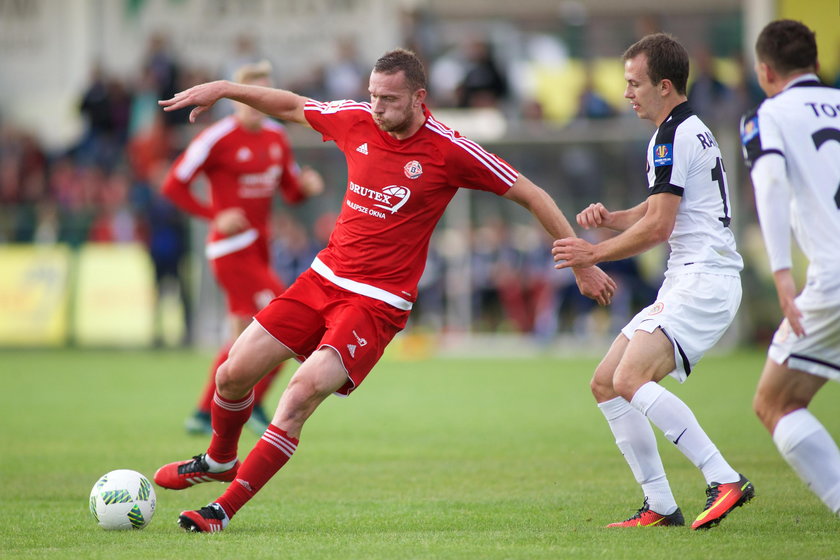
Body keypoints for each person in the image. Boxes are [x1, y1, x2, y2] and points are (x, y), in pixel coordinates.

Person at [153, 48, 616, 532]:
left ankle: (220, 510)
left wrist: (580, 261)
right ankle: (220, 458)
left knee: (298, 396)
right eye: (373, 95)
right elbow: (291, 106)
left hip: (377, 303)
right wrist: (226, 88)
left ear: (419, 98)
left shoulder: (450, 149)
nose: (377, 107)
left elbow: (531, 194)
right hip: (321, 279)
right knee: (231, 375)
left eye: (389, 99)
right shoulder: (356, 119)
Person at [553, 33, 754, 530]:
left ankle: (723, 476)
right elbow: (657, 211)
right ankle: (660, 505)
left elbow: (661, 227)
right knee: (606, 382)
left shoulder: (671, 135)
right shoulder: (688, 128)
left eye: (633, 83)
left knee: (629, 379)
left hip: (702, 278)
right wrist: (612, 219)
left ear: (664, 85)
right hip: (694, 278)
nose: (627, 93)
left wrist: (591, 252)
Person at [160, 60, 324, 436]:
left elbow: (290, 191)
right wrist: (213, 215)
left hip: (259, 246)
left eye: (263, 96)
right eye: (250, 96)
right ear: (235, 99)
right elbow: (173, 185)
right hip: (231, 248)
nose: (257, 104)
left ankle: (205, 412)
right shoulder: (216, 138)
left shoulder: (276, 138)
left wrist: (307, 188)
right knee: (285, 324)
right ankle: (249, 404)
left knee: (244, 339)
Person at [742, 20, 840, 517]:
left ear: (764, 72)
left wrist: (782, 273)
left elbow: (772, 184)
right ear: (817, 64)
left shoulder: (769, 115)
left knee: (775, 403)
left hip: (834, 278)